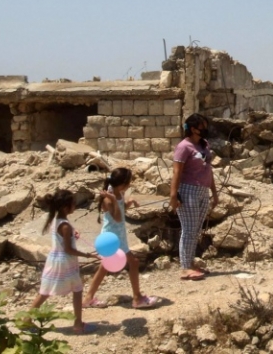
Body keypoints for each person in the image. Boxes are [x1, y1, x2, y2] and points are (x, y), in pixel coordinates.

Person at [83, 167, 160, 309]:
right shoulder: (108, 198)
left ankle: (88, 298)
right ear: (123, 183)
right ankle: (137, 298)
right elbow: (117, 218)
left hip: (118, 236)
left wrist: (130, 202)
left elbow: (121, 207)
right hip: (112, 237)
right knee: (133, 262)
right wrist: (113, 200)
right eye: (129, 182)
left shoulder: (118, 193)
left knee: (105, 267)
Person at [30, 189, 96, 334]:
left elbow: (64, 237)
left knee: (45, 291)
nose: (75, 206)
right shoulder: (65, 226)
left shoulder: (57, 220)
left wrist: (73, 233)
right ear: (66, 207)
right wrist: (88, 255)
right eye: (73, 203)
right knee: (77, 290)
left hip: (55, 260)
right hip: (65, 262)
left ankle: (26, 320)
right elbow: (68, 249)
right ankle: (78, 324)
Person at [168, 113, 219, 280]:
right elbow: (177, 172)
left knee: (196, 229)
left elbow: (208, 169)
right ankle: (185, 267)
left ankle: (190, 263)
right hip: (188, 190)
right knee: (189, 229)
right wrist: (173, 195)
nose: (205, 129)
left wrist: (214, 192)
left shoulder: (204, 145)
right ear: (192, 128)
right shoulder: (183, 147)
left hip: (203, 190)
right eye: (201, 126)